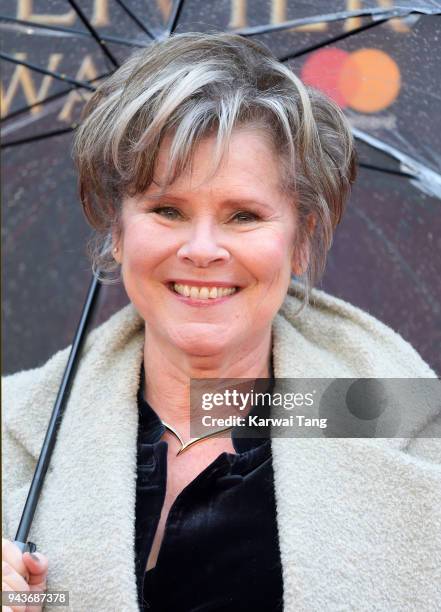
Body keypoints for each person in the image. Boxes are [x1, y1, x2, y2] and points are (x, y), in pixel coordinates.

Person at [2, 32, 440, 612]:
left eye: (243, 215)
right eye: (167, 209)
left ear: (301, 240)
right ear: (117, 229)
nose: (202, 249)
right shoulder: (17, 426)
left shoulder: (399, 427)